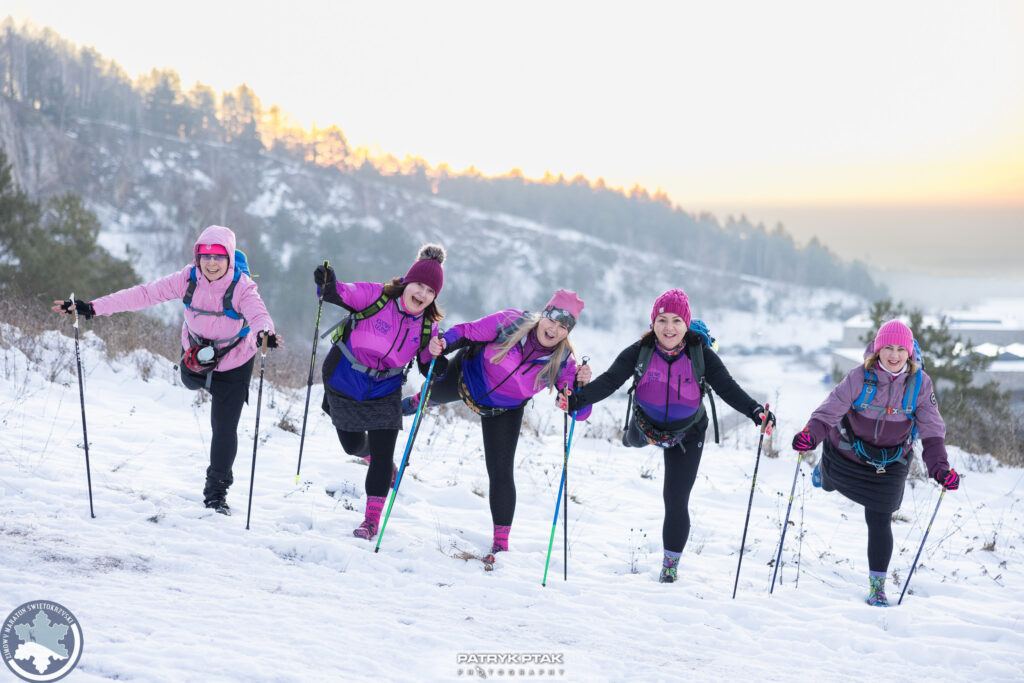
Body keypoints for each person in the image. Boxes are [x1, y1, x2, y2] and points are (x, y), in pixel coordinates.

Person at [52, 225, 280, 515]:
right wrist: (93, 308)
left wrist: (264, 335)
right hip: (195, 352)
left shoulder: (242, 286)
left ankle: (216, 495)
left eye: (218, 256)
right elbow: (144, 295)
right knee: (189, 381)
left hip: (235, 359)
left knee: (223, 429)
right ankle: (197, 377)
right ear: (198, 257)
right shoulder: (188, 279)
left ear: (230, 259)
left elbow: (259, 315)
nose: (211, 262)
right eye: (205, 256)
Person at [558, 289, 774, 583]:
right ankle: (631, 436)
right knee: (632, 439)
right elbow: (609, 381)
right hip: (645, 425)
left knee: (675, 498)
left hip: (687, 432)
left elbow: (727, 387)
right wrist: (575, 401)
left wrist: (756, 412)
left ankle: (670, 566)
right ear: (653, 322)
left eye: (675, 320)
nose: (668, 327)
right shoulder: (639, 351)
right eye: (661, 320)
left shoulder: (701, 355)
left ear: (686, 324)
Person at [402, 290, 592, 562]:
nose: (555, 329)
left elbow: (580, 412)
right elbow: (467, 331)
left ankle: (500, 544)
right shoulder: (511, 322)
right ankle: (419, 401)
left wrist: (581, 388)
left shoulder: (563, 362)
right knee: (432, 395)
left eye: (564, 326)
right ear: (544, 315)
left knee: (501, 472)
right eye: (553, 320)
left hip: (504, 409)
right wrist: (443, 343)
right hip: (465, 378)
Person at [791, 319, 959, 607]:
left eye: (900, 349)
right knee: (829, 483)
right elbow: (829, 410)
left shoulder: (920, 385)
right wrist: (811, 435)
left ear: (909, 354)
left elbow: (932, 431)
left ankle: (878, 588)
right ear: (877, 351)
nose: (894, 355)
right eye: (888, 348)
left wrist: (940, 469)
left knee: (880, 518)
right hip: (847, 452)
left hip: (890, 460)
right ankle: (823, 472)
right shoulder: (859, 377)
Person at [315, 244, 447, 540]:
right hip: (345, 380)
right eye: (419, 285)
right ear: (406, 282)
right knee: (353, 446)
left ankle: (370, 521)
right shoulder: (376, 296)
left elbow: (428, 365)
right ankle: (372, 455)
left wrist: (437, 360)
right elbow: (341, 293)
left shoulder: (428, 327)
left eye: (430, 291)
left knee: (384, 453)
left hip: (385, 389)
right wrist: (328, 283)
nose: (422, 294)